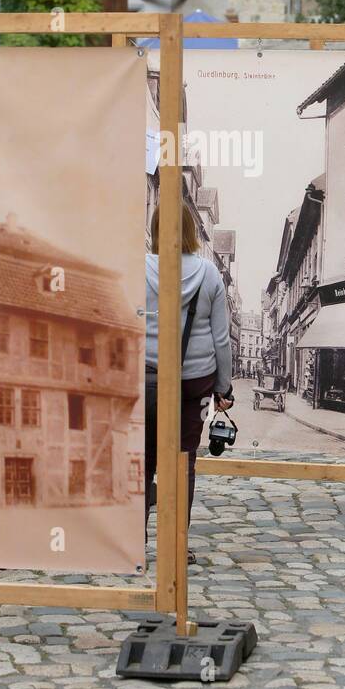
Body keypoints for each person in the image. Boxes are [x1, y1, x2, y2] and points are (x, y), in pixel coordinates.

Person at [144, 206, 233, 562]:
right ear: (191, 231)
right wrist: (224, 389)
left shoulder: (138, 269)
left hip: (145, 378)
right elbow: (222, 339)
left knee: (143, 459)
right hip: (193, 384)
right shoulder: (209, 274)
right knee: (183, 461)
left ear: (154, 229)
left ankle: (134, 540)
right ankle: (176, 544)